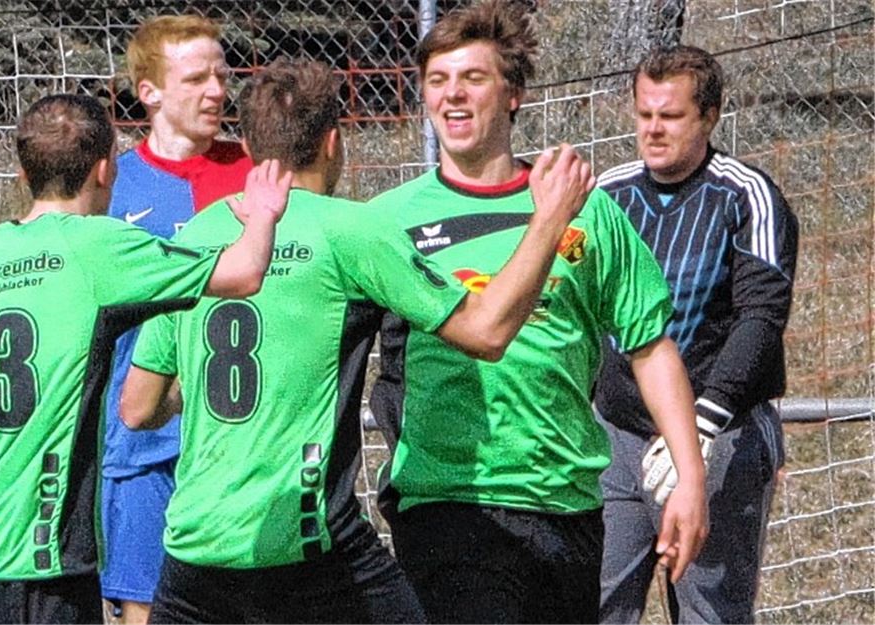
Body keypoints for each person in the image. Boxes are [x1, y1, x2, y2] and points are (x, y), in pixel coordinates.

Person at [119, 57, 594, 623]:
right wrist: (548, 220)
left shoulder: (198, 234)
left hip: (195, 546)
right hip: (303, 543)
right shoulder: (349, 229)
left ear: (245, 142)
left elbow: (139, 407)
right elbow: (486, 331)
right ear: (332, 142)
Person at [0, 93, 290, 624]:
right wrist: (262, 216)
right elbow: (243, 274)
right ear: (105, 169)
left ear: (23, 173)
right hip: (44, 555)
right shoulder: (97, 247)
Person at [368, 1, 709, 622]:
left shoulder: (588, 208)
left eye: (473, 79)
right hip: (450, 502)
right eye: (437, 81)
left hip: (567, 502)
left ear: (515, 93)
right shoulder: (387, 222)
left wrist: (689, 475)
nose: (452, 97)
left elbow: (650, 346)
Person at [595, 45, 798, 624]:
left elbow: (761, 318)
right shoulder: (607, 196)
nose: (653, 130)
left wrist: (703, 426)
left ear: (708, 118)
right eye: (644, 114)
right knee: (595, 606)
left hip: (721, 433)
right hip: (618, 436)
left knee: (711, 613)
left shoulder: (746, 195)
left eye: (671, 116)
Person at [100, 15, 254, 624]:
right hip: (140, 446)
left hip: (236, 447)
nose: (217, 90)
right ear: (150, 91)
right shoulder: (111, 190)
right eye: (196, 78)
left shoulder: (255, 179)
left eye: (222, 75)